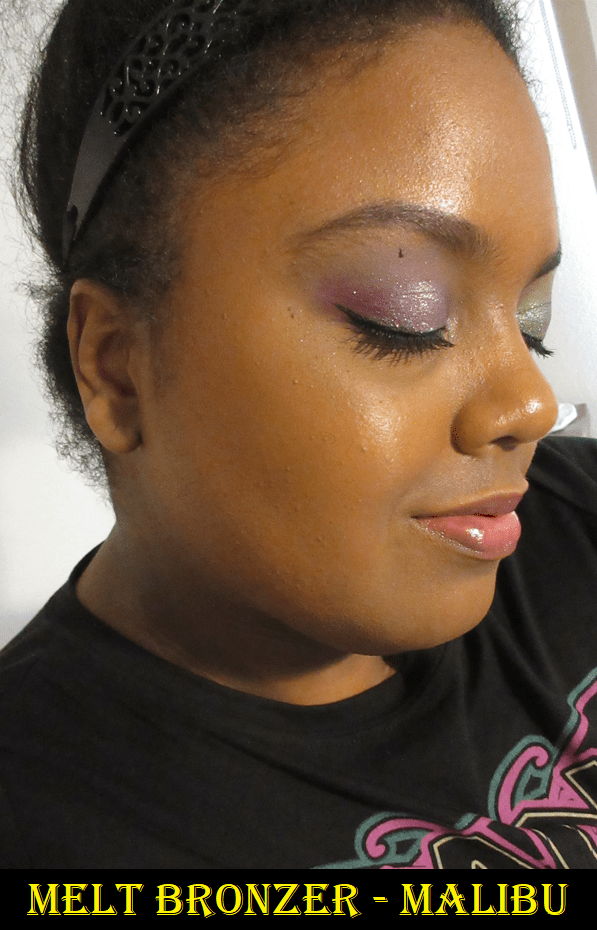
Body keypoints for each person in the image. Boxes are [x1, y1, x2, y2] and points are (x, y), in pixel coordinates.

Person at [1, 0, 596, 871]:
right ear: (119, 367)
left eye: (527, 320)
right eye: (404, 316)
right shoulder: (43, 821)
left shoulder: (576, 519)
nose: (529, 404)